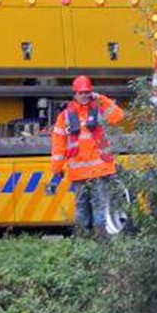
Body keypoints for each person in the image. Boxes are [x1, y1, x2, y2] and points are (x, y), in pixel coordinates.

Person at [51, 75, 126, 237]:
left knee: (100, 204)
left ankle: (100, 240)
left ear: (91, 93)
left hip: (99, 169)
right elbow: (58, 143)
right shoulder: (64, 116)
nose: (84, 96)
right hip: (79, 171)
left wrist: (102, 99)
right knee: (81, 205)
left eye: (87, 92)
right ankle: (83, 239)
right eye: (81, 93)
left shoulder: (99, 109)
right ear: (75, 94)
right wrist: (56, 168)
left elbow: (119, 116)